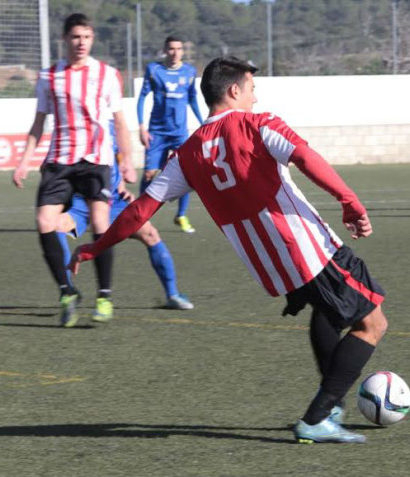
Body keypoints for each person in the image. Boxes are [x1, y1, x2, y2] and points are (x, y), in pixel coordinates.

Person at [69, 56, 388, 444]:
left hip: (270, 265)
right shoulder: (258, 124)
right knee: (372, 324)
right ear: (234, 91)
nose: (256, 97)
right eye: (252, 89)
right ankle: (317, 417)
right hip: (307, 247)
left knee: (327, 312)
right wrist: (349, 201)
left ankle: (330, 401)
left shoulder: (186, 155)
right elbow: (304, 156)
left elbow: (139, 210)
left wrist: (95, 247)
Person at [12, 13, 135, 327]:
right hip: (59, 161)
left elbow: (120, 122)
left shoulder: (106, 74)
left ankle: (104, 295)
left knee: (99, 221)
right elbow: (39, 122)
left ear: (92, 39)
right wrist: (25, 160)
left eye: (87, 37)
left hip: (95, 160)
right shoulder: (48, 76)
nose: (81, 43)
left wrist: (127, 161)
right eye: (76, 37)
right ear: (65, 39)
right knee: (44, 222)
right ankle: (67, 292)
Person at [56, 121, 194, 320]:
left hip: (112, 200)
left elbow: (116, 157)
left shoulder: (113, 125)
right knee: (56, 227)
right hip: (82, 201)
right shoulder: (73, 124)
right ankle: (68, 293)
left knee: (150, 234)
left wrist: (120, 184)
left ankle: (172, 294)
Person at [137, 35, 203, 233]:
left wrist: (202, 123)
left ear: (182, 51)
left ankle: (181, 215)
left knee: (187, 174)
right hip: (156, 132)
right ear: (165, 50)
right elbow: (141, 98)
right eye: (171, 48)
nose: (175, 52)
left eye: (179, 49)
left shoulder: (189, 72)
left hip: (179, 134)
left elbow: (192, 100)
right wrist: (141, 126)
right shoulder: (154, 70)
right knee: (149, 174)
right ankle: (141, 215)